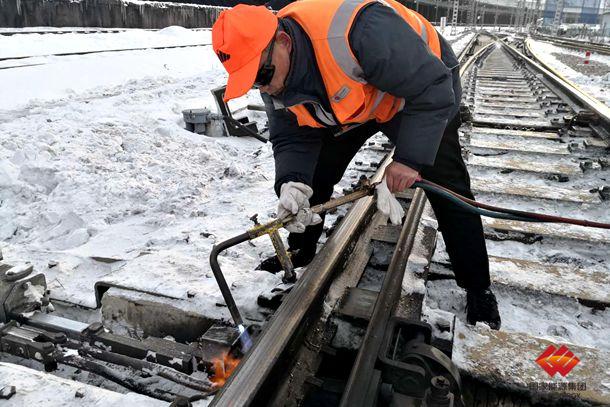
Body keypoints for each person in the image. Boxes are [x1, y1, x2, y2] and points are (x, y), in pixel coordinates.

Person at [212, 0, 501, 329]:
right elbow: (292, 137)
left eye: (263, 74)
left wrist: (409, 159)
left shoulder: (361, 31)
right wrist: (291, 181)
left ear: (283, 41)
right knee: (314, 177)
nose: (264, 86)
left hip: (418, 91)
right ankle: (300, 251)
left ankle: (478, 286)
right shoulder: (273, 75)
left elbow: (432, 88)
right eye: (252, 81)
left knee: (447, 184)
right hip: (351, 102)